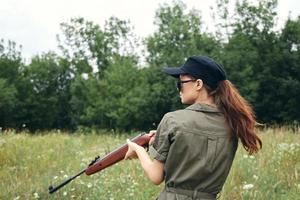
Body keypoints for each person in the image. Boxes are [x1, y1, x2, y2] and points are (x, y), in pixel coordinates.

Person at [124, 55, 262, 200]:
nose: (179, 89)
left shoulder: (172, 120)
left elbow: (156, 176)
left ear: (198, 84)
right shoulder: (233, 125)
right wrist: (163, 139)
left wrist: (138, 149)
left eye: (180, 83)